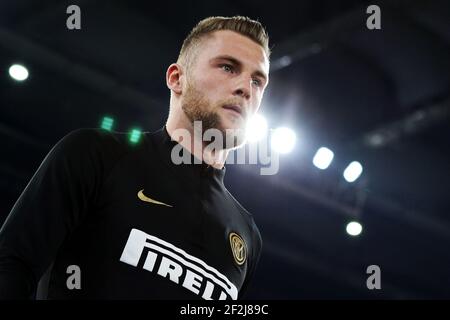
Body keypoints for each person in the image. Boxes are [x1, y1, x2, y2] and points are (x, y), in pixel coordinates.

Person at [0, 15, 270, 299]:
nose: (246, 88)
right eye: (228, 67)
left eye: (257, 80)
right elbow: (11, 265)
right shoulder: (96, 155)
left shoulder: (247, 235)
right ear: (177, 79)